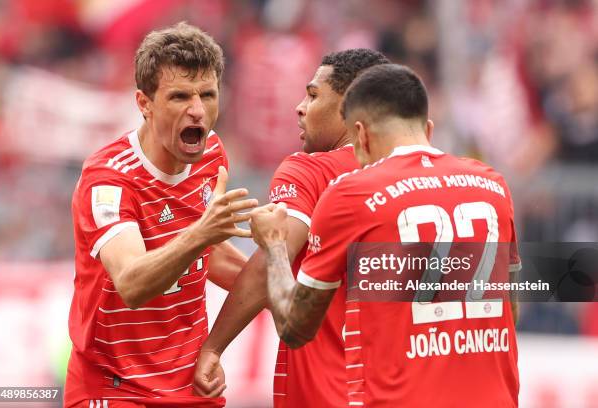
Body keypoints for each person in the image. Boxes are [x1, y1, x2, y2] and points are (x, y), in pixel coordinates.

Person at [249, 64, 522, 407]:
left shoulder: (352, 193)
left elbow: (295, 326)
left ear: (360, 134)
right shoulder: (493, 185)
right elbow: (511, 312)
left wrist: (273, 243)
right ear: (428, 129)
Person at [65, 22, 258, 408]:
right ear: (144, 103)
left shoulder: (212, 154)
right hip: (114, 388)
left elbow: (213, 257)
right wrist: (203, 232)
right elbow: (132, 283)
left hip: (191, 386)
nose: (198, 111)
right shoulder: (109, 178)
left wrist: (284, 287)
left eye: (208, 94)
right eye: (180, 97)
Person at [194, 49, 390, 407]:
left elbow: (272, 258)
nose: (300, 107)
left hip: (326, 392)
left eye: (313, 95)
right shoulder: (420, 181)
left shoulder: (309, 171)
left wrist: (212, 347)